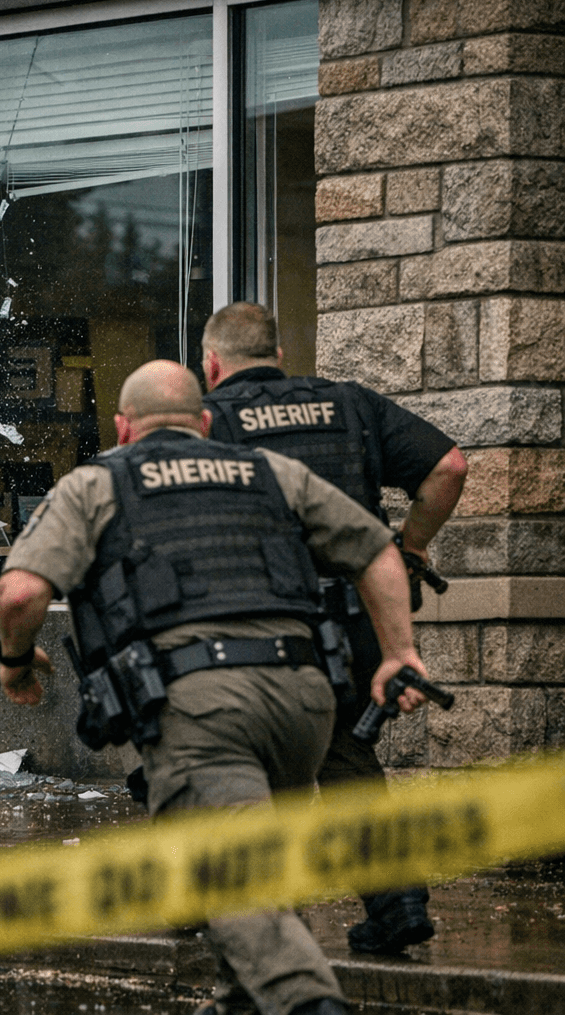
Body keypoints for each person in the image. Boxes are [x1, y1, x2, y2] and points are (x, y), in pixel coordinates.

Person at [0, 360, 429, 1015]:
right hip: (304, 701)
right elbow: (377, 550)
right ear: (203, 422)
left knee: (234, 873)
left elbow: (21, 591)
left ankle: (309, 1001)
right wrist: (399, 653)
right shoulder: (270, 473)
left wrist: (15, 663)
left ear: (123, 427)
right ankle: (241, 1001)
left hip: (202, 708)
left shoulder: (95, 483)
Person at [200, 302, 467, 954]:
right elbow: (449, 468)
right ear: (280, 355)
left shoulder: (212, 421)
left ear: (211, 364)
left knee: (257, 760)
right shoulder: (349, 403)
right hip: (353, 617)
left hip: (259, 623)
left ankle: (268, 913)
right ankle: (396, 903)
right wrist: (412, 544)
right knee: (348, 753)